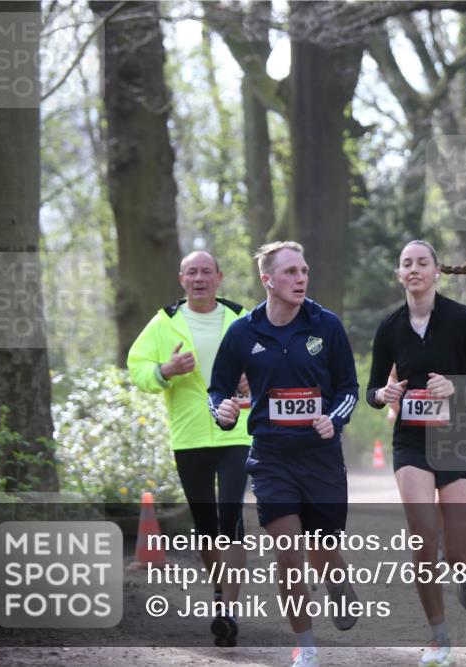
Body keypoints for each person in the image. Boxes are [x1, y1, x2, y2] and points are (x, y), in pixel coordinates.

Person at [366, 241, 466, 667]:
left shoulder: (461, 319)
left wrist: (458, 386)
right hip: (411, 441)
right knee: (421, 539)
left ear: (436, 272)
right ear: (399, 275)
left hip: (459, 438)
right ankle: (438, 635)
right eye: (406, 264)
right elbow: (373, 390)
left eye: (422, 263)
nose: (414, 270)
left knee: (454, 550)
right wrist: (384, 392)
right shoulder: (390, 327)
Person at [209, 241, 359, 667]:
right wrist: (221, 411)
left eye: (304, 271)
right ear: (267, 280)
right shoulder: (243, 332)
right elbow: (218, 389)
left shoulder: (325, 325)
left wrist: (334, 418)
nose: (300, 279)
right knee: (289, 554)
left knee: (322, 550)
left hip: (321, 458)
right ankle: (306, 646)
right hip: (271, 458)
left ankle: (336, 578)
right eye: (291, 272)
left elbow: (349, 388)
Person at [127, 250, 251, 647]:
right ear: (182, 279)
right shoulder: (164, 321)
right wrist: (165, 370)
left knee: (231, 520)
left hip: (235, 431)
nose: (199, 278)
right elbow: (137, 367)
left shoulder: (241, 317)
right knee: (206, 529)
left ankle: (227, 611)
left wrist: (255, 379)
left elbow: (272, 361)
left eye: (206, 272)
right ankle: (220, 592)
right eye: (191, 272)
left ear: (220, 277)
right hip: (190, 435)